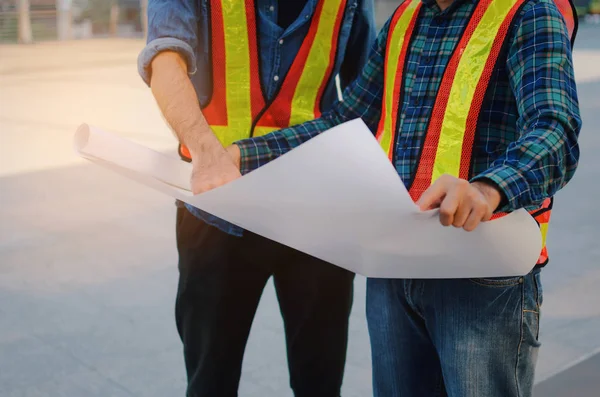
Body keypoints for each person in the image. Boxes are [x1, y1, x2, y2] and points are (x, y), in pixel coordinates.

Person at [215, 0, 582, 396]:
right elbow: (346, 121)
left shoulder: (528, 12)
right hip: (395, 269)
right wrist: (241, 155)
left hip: (481, 276)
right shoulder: (405, 18)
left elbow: (555, 130)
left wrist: (487, 189)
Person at [138, 1, 375, 396]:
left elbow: (369, 86)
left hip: (318, 210)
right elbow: (164, 59)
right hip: (218, 208)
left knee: (320, 379)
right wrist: (207, 152)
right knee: (210, 379)